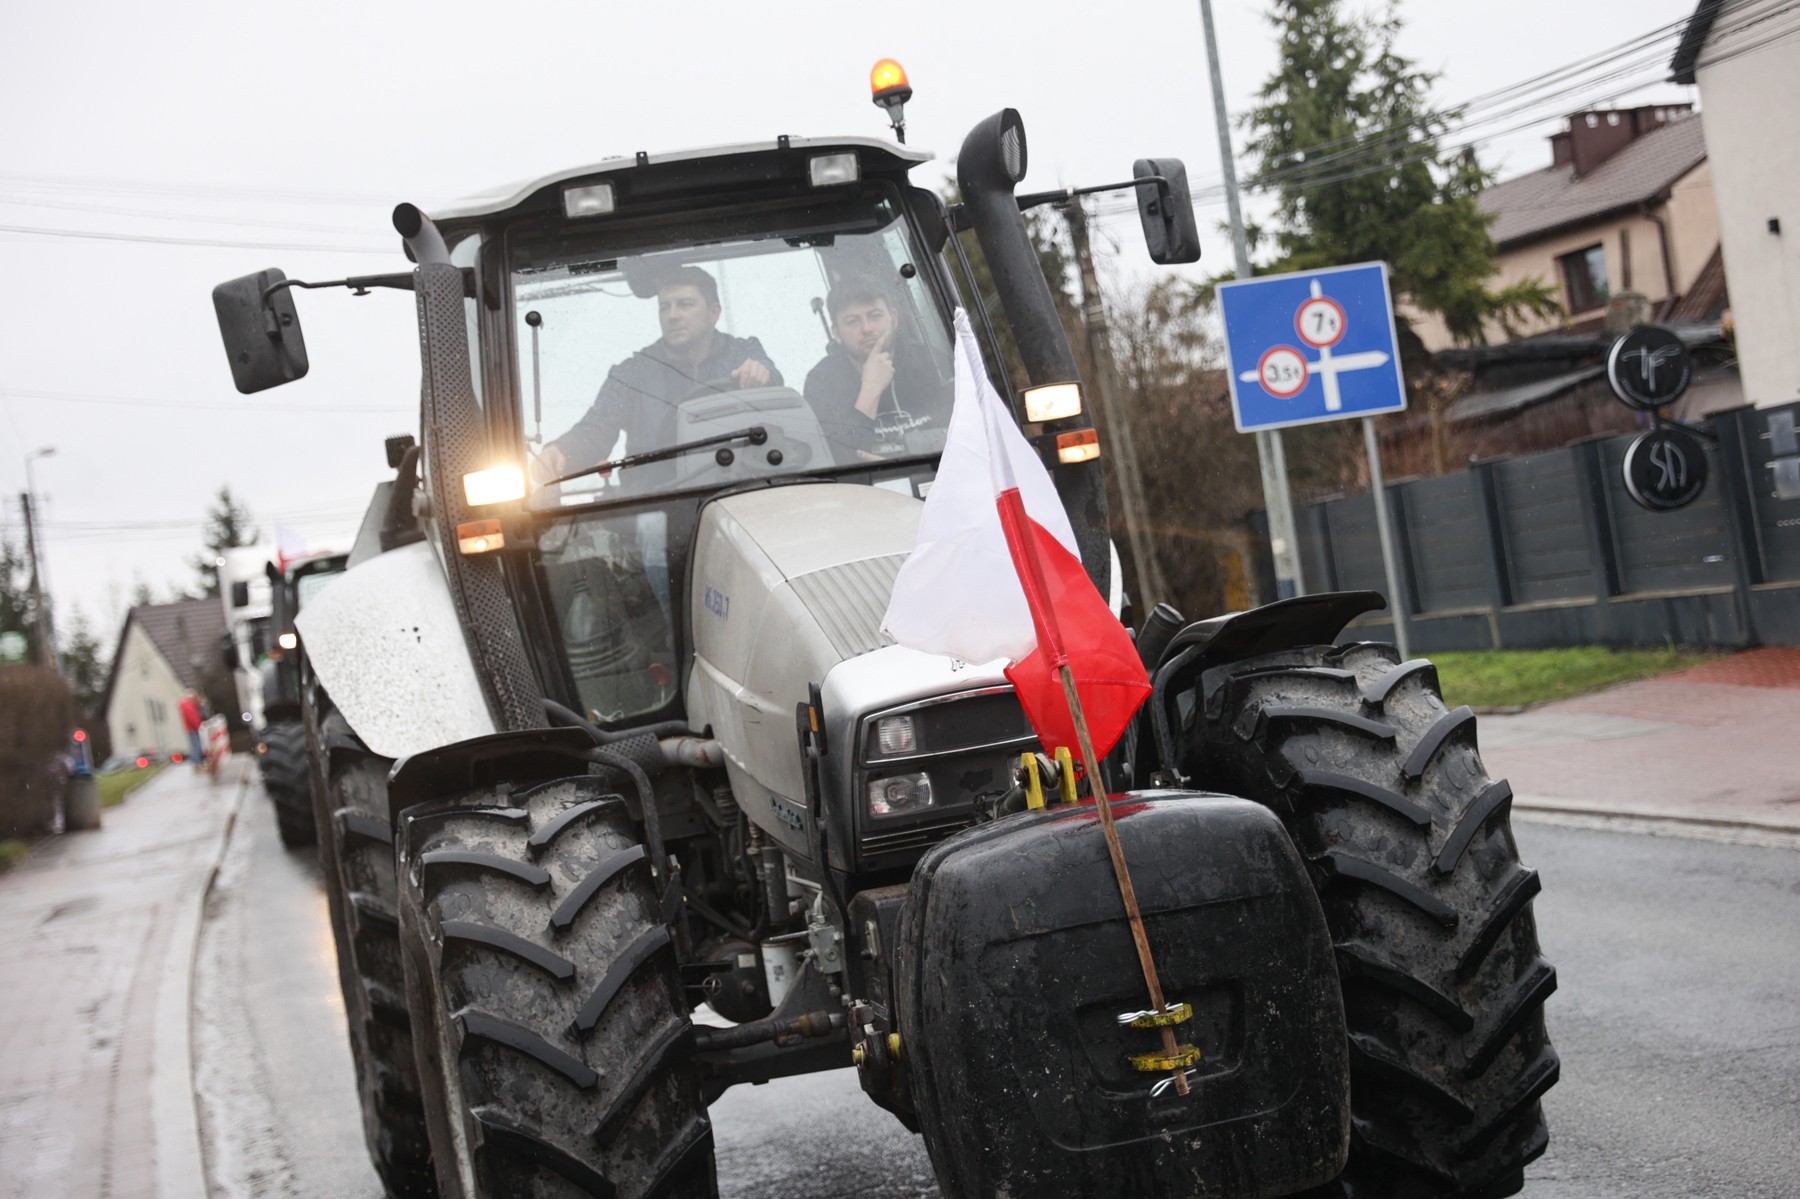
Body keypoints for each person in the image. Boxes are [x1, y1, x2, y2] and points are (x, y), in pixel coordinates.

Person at [535, 266, 782, 483]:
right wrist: (561, 451)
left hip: (738, 486)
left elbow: (774, 385)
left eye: (685, 305)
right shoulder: (634, 372)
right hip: (658, 501)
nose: (672, 315)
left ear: (714, 312)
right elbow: (598, 428)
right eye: (665, 307)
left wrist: (763, 374)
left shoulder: (742, 354)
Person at [803, 278, 951, 463]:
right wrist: (871, 388)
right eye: (852, 321)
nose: (866, 328)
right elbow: (836, 460)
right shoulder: (822, 382)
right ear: (836, 333)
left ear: (894, 318)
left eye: (874, 316)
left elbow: (964, 436)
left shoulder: (934, 364)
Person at [179, 689, 204, 768]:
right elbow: (193, 718)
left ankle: (197, 763)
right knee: (196, 746)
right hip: (193, 729)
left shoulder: (187, 705)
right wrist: (198, 726)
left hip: (191, 729)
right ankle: (197, 764)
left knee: (195, 746)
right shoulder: (188, 706)